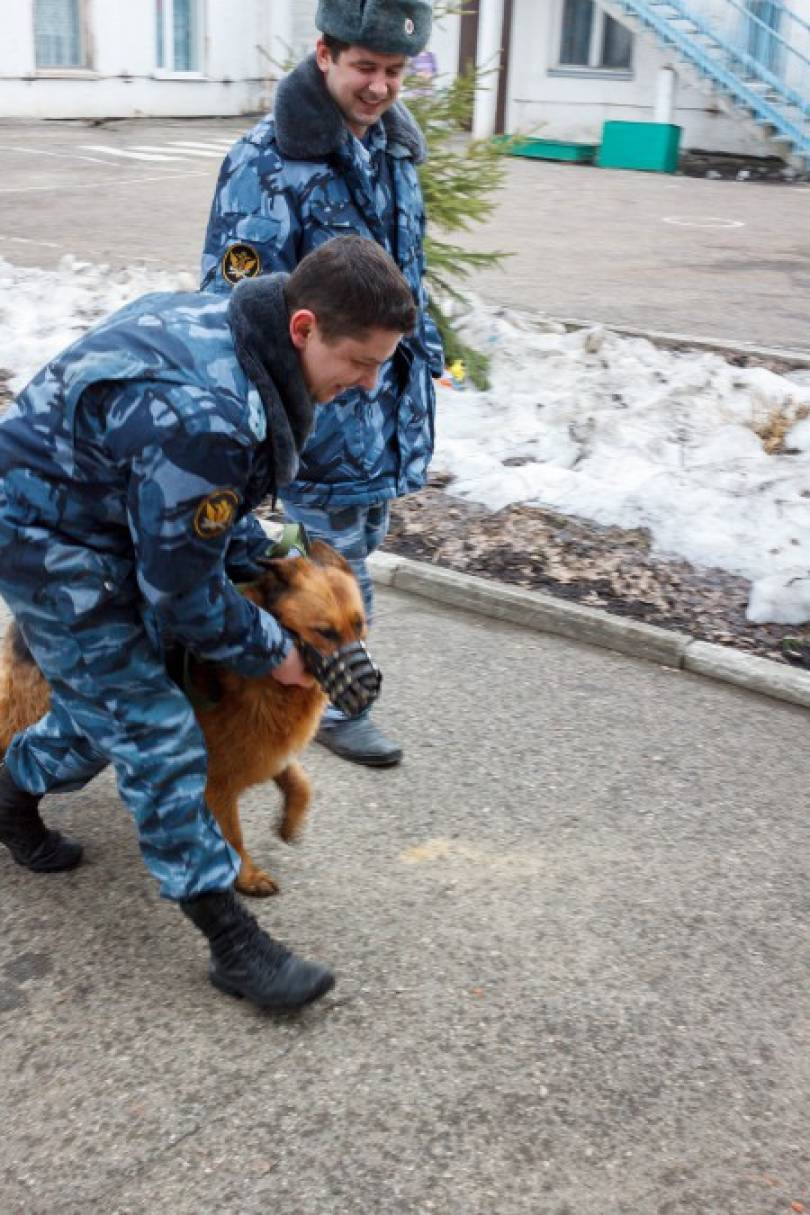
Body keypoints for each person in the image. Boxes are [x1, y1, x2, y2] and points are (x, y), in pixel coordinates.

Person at [0, 235, 416, 1012]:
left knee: (105, 709)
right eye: (359, 361)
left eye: (382, 363)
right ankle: (233, 942)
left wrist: (266, 558)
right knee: (156, 728)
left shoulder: (240, 340)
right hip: (44, 537)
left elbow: (201, 523)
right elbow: (182, 589)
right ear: (302, 329)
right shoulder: (210, 413)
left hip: (107, 516)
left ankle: (9, 790)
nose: (367, 383)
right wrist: (276, 654)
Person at [200, 0, 443, 769]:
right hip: (316, 410)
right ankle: (321, 701)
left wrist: (422, 353)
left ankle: (294, 691)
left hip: (382, 406)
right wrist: (276, 414)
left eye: (395, 72)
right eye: (365, 68)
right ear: (326, 55)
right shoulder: (268, 159)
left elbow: (408, 276)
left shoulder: (398, 153)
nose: (379, 87)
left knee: (356, 545)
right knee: (322, 562)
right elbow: (231, 302)